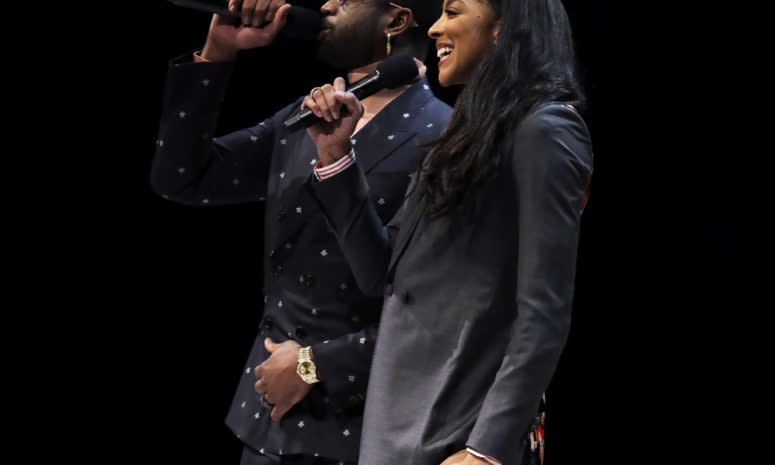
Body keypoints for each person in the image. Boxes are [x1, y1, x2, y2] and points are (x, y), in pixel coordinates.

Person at [149, 1, 451, 464]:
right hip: (269, 416)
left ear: (395, 19)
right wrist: (218, 51)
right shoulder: (305, 114)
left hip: (364, 427)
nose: (326, 3)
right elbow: (184, 178)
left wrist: (315, 366)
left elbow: (441, 312)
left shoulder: (445, 137)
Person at [302, 0, 593, 464]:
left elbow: (545, 309)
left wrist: (487, 449)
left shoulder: (545, 128)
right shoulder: (459, 139)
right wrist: (336, 158)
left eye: (454, 11)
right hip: (396, 428)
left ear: (504, 28)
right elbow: (383, 275)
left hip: (457, 435)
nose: (435, 26)